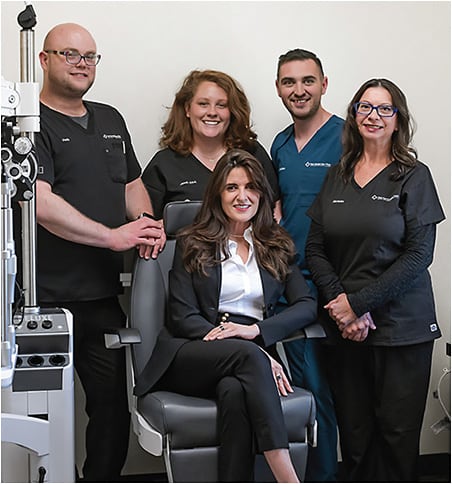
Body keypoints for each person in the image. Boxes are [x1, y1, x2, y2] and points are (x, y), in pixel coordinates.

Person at [134, 149, 318, 482]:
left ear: (262, 194)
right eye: (232, 187)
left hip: (246, 357)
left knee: (234, 392)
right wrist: (255, 349)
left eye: (250, 187)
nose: (242, 196)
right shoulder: (193, 242)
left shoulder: (276, 244)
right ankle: (288, 478)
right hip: (192, 351)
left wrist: (257, 333)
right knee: (247, 360)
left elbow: (306, 305)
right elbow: (182, 317)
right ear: (218, 193)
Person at [35, 23, 165, 482]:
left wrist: (145, 226)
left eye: (90, 56)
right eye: (69, 54)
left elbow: (132, 186)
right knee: (43, 414)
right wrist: (113, 238)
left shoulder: (110, 119)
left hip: (103, 299)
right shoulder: (28, 123)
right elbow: (41, 205)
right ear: (44, 59)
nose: (81, 63)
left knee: (112, 411)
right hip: (44, 299)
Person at [305, 78, 445, 482]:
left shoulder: (413, 176)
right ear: (353, 115)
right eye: (365, 107)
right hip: (347, 329)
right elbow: (315, 249)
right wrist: (343, 307)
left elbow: (420, 254)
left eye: (385, 109)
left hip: (403, 328)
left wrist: (359, 304)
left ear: (398, 120)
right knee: (356, 432)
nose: (374, 116)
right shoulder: (337, 175)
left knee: (396, 435)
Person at [271, 48, 342, 481]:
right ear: (278, 88)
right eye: (288, 82)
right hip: (294, 286)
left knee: (346, 393)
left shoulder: (349, 136)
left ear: (324, 84)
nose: (299, 90)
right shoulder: (279, 144)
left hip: (341, 284)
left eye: (307, 80)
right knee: (311, 390)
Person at [142, 69, 279, 219]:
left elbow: (275, 210)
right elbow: (146, 224)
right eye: (203, 104)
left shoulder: (252, 153)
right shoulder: (164, 164)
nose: (212, 112)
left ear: (232, 111)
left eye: (221, 105)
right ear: (187, 109)